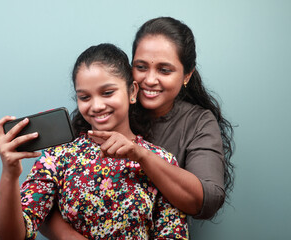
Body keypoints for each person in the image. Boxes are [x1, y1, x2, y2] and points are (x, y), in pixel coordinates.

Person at [40, 16, 235, 239]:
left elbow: (206, 201)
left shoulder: (197, 122)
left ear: (186, 75)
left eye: (164, 70)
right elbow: (43, 198)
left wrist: (141, 155)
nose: (149, 80)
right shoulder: (105, 111)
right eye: (141, 67)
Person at [0, 43, 189, 239]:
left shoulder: (160, 160)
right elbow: (10, 237)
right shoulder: (58, 158)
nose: (96, 106)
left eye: (107, 93)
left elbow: (173, 233)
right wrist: (10, 174)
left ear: (132, 92)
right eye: (85, 97)